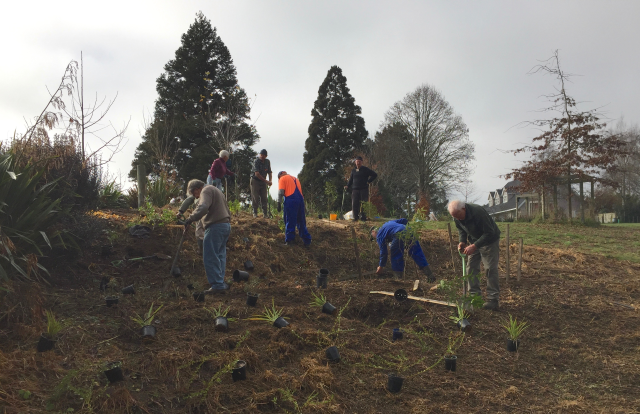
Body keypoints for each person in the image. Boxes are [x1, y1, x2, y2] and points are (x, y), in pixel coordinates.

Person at [448, 200, 501, 310]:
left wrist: (474, 246)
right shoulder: (456, 215)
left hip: (489, 241)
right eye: (454, 217)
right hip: (474, 241)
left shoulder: (478, 212)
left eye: (458, 215)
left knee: (490, 269)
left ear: (464, 209)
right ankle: (475, 297)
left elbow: (489, 232)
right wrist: (462, 241)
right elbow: (461, 229)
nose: (457, 219)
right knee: (471, 268)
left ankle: (493, 299)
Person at [183, 179, 231, 293]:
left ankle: (217, 285)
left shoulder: (206, 190)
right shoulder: (216, 190)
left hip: (215, 227)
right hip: (225, 225)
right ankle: (220, 282)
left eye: (195, 194)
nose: (196, 197)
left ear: (196, 189)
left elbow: (203, 207)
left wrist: (190, 219)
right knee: (220, 256)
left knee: (210, 256)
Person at [371, 219, 435, 281]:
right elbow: (404, 220)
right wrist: (406, 231)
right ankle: (430, 276)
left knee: (396, 255)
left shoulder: (379, 235)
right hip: (409, 231)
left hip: (397, 234)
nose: (374, 238)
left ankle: (398, 278)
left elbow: (384, 253)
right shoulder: (388, 223)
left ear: (373, 231)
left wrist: (381, 266)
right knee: (417, 253)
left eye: (373, 237)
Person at [277, 171, 311, 247]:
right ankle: (307, 241)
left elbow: (281, 192)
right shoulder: (296, 179)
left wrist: (279, 203)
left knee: (290, 220)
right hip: (300, 201)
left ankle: (290, 241)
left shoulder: (282, 179)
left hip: (291, 201)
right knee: (301, 221)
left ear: (279, 176)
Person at [345, 156, 377, 221]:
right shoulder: (353, 170)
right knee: (354, 203)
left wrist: (369, 181)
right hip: (355, 189)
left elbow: (374, 175)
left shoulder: (365, 169)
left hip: (363, 189)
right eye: (357, 161)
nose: (358, 163)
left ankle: (363, 217)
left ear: (362, 162)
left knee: (363, 203)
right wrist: (347, 185)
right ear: (355, 162)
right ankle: (355, 217)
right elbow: (351, 179)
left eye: (359, 161)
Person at [251, 149, 272, 218]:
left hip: (263, 181)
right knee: (255, 197)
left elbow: (269, 172)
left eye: (263, 155)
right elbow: (257, 174)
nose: (262, 156)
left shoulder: (267, 162)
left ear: (266, 156)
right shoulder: (256, 161)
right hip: (255, 180)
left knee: (264, 197)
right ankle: (255, 213)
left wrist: (270, 181)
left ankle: (265, 214)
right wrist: (266, 181)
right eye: (261, 155)